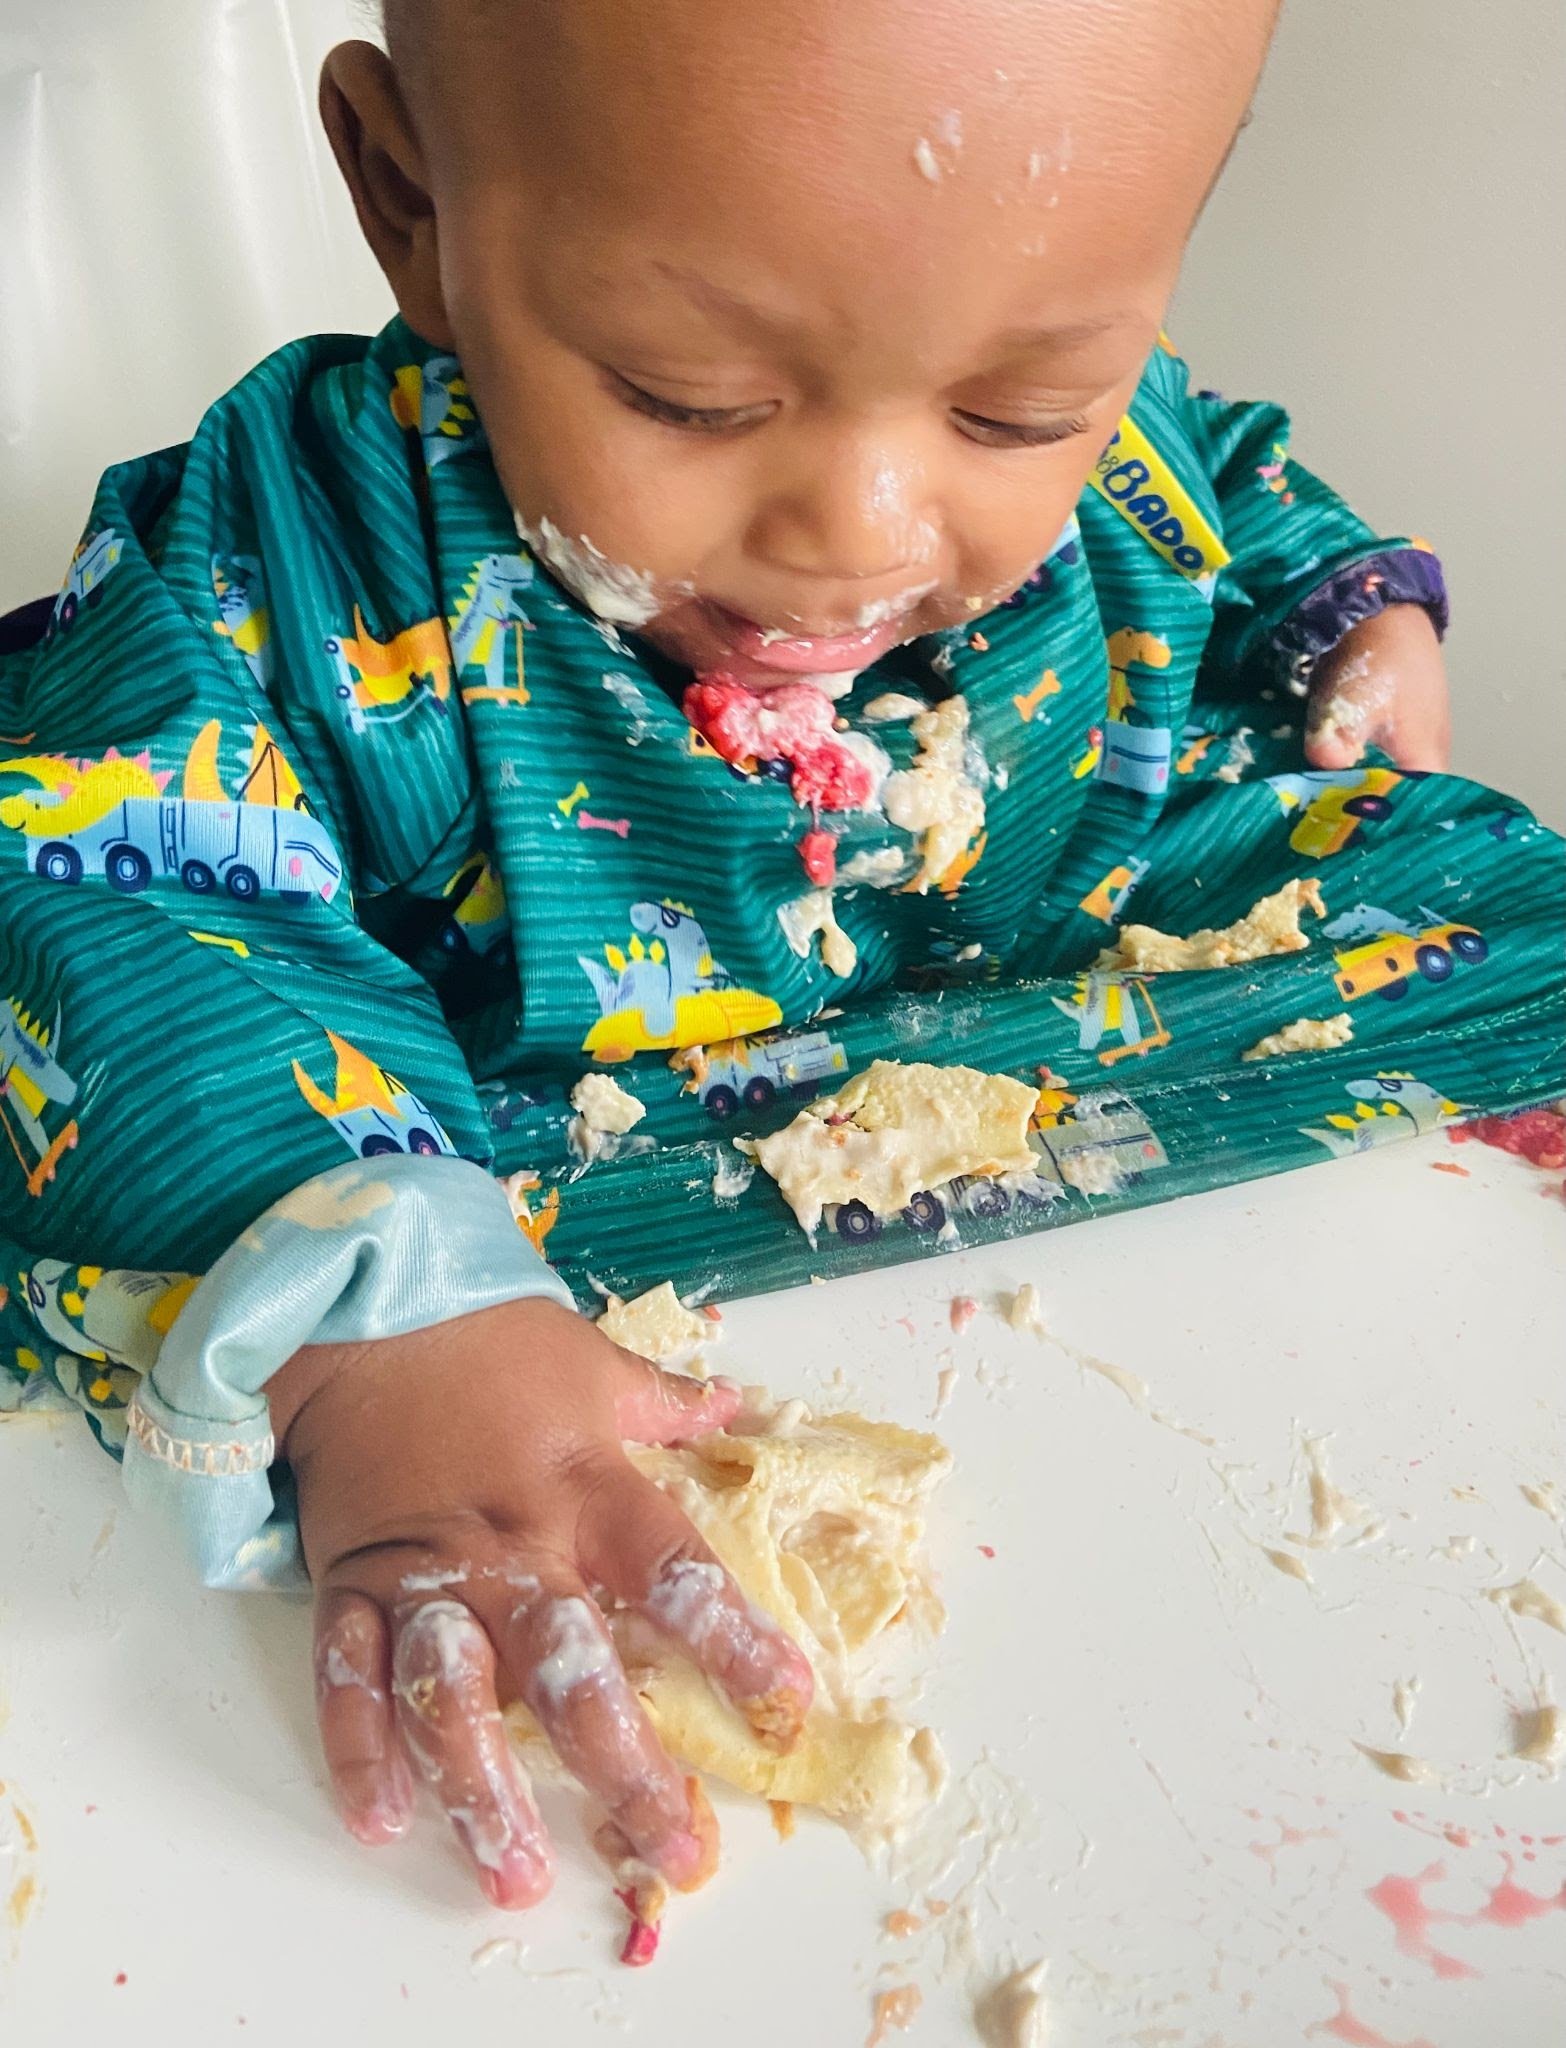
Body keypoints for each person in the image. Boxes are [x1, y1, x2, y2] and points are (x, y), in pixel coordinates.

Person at [2, 0, 1560, 1912]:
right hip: (507, 1146)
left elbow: (1207, 465)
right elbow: (107, 869)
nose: (864, 531)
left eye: (1010, 413)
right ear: (410, 201)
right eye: (693, 395)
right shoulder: (280, 546)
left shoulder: (1095, 414)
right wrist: (385, 1328)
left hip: (1052, 962)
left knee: (1492, 899)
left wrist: (1345, 607)